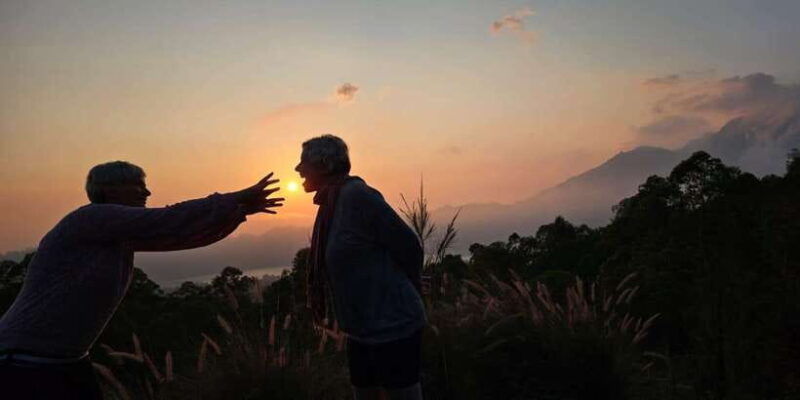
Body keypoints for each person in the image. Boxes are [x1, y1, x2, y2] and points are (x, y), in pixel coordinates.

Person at [0, 161, 284, 399]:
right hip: (25, 361)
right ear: (109, 189)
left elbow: (179, 234)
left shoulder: (117, 235)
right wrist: (237, 197)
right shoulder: (92, 218)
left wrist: (238, 210)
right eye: (137, 185)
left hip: (68, 360)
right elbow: (169, 218)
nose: (147, 192)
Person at [296, 135, 426, 400]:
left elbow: (409, 246)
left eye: (303, 162)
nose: (298, 169)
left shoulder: (357, 196)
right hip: (360, 331)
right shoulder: (331, 202)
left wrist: (406, 291)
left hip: (393, 326)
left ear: (325, 165)